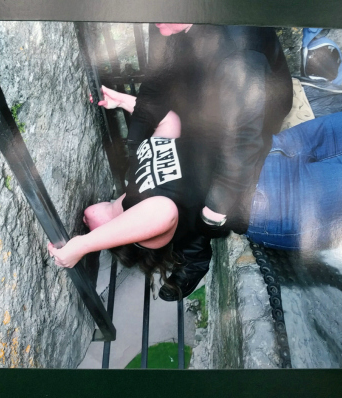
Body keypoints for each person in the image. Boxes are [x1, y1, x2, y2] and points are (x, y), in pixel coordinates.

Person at [48, 107, 342, 291]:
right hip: (280, 201)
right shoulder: (146, 229)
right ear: (118, 240)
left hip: (273, 150)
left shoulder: (134, 179)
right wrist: (80, 246)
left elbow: (169, 124)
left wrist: (126, 102)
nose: (85, 218)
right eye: (90, 228)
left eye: (85, 226)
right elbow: (161, 212)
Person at [122, 23, 293, 300]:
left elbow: (242, 142)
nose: (155, 22)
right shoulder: (166, 20)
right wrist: (135, 146)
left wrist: (213, 212)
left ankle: (194, 255)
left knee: (201, 168)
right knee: (173, 150)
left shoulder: (238, 46)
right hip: (209, 92)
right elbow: (157, 81)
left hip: (257, 111)